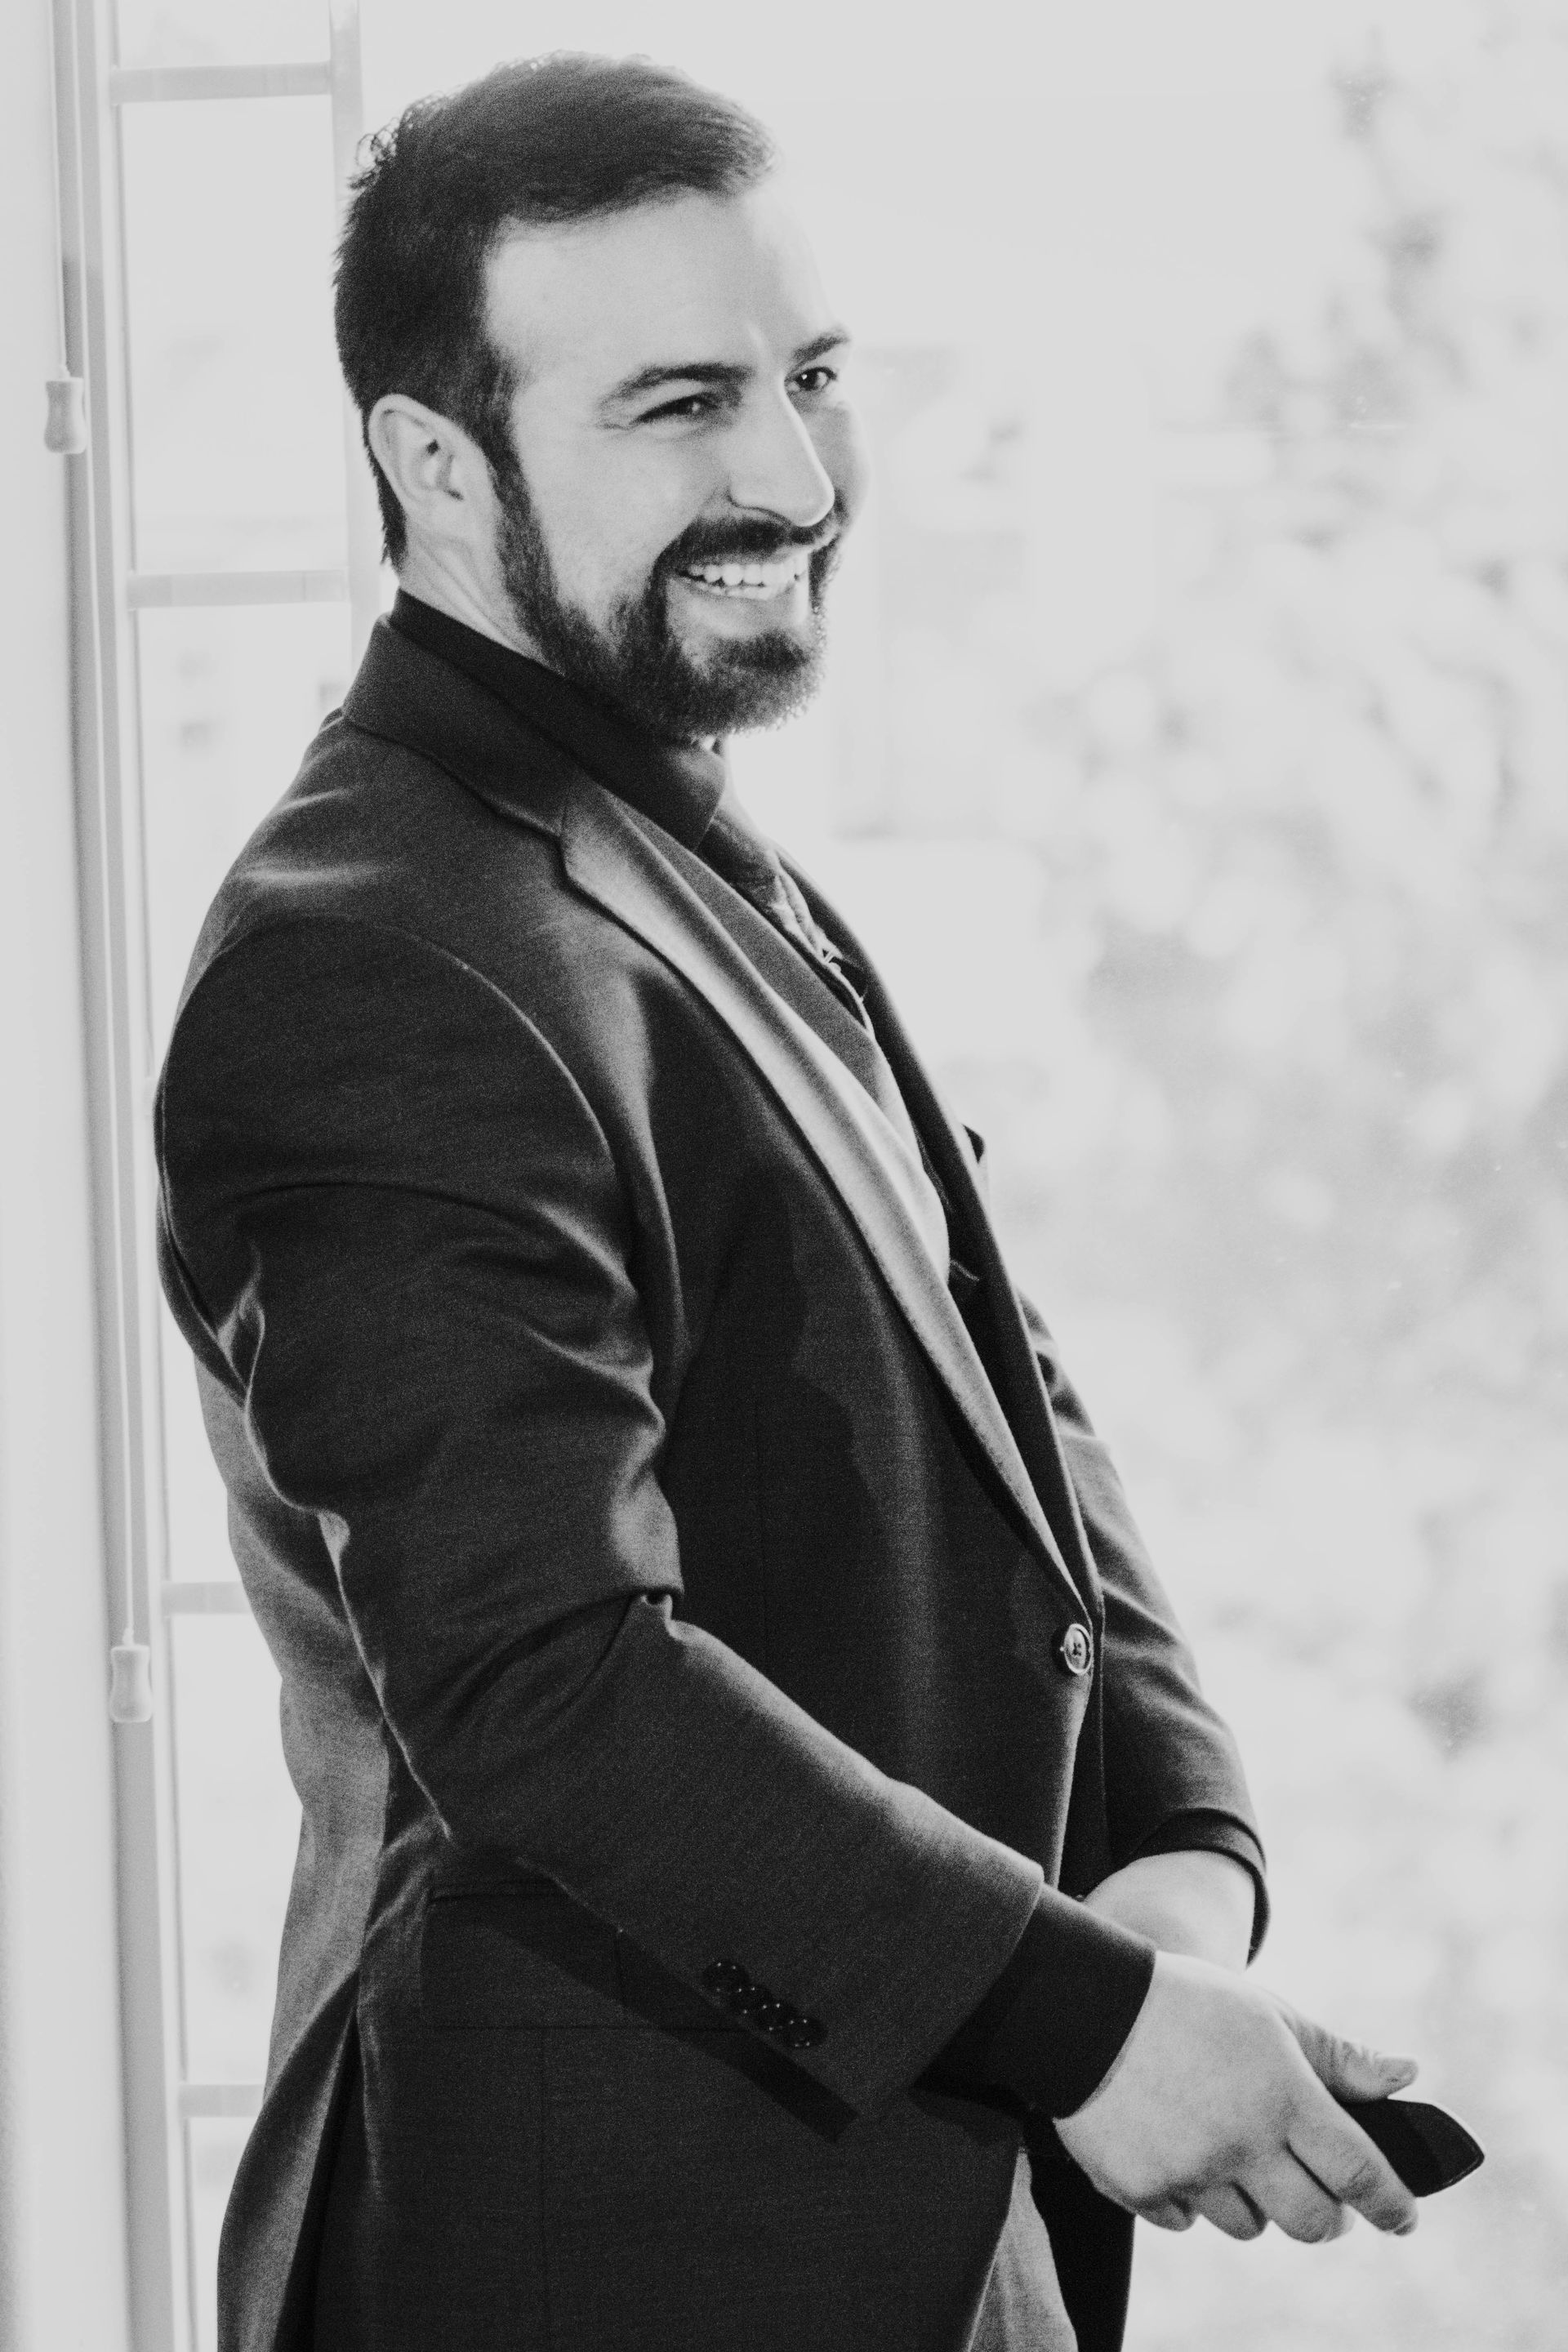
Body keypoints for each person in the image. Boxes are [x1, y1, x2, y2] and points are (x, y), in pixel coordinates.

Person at [154, 51, 1422, 2352]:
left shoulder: (656, 832)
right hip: (587, 2263)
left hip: (923, 2190)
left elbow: (985, 1366)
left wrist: (1175, 1862)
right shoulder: (373, 953)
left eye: (810, 378)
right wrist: (1084, 2022)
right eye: (679, 406)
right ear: (434, 464)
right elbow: (543, 1681)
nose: (796, 479)